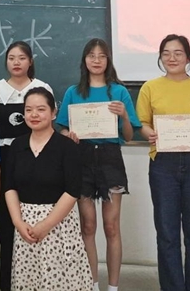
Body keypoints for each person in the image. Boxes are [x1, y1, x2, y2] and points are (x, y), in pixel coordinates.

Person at [136, 34, 190, 291]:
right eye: (166, 53)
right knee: (167, 233)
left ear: (188, 57)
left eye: (178, 53)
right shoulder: (150, 88)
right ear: (160, 58)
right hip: (163, 163)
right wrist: (149, 133)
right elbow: (142, 123)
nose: (172, 58)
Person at [56, 38, 140, 291]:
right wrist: (68, 135)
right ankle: (91, 284)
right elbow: (61, 128)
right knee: (88, 225)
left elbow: (128, 136)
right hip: (81, 158)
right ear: (84, 60)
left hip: (110, 158)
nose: (96, 60)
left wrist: (124, 116)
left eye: (101, 56)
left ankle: (113, 287)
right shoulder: (73, 92)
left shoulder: (119, 92)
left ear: (108, 60)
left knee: (111, 227)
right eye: (91, 55)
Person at [5, 87, 92, 291]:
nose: (34, 115)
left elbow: (72, 191)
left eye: (41, 109)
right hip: (25, 227)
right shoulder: (17, 145)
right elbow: (9, 186)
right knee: (29, 282)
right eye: (28, 110)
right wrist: (18, 222)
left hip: (59, 227)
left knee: (61, 283)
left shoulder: (67, 147)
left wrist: (45, 225)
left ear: (53, 113)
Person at [0, 41, 53, 291]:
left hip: (36, 158)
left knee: (37, 222)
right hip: (4, 160)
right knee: (7, 227)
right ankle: (8, 284)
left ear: (30, 61)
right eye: (11, 57)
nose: (16, 62)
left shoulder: (42, 88)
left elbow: (50, 127)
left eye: (22, 58)